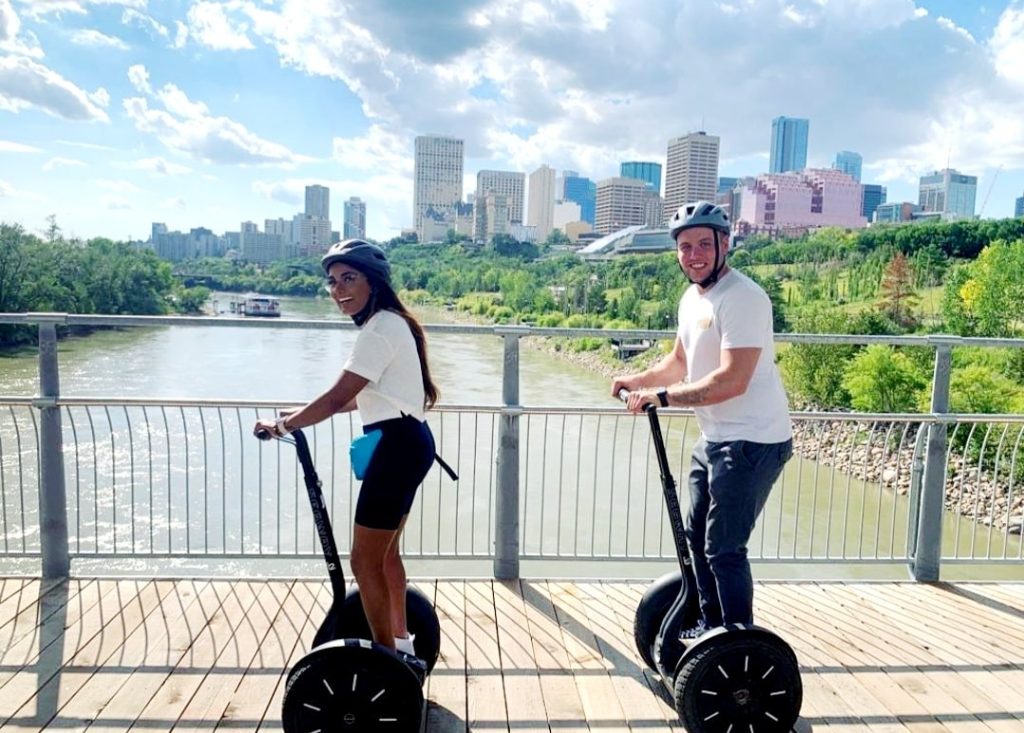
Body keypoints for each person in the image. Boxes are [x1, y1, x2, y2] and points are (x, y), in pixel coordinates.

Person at [254, 238, 446, 657]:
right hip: (409, 442)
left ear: (372, 282)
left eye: (349, 278)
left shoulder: (379, 330)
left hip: (396, 450)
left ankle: (386, 660)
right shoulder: (393, 323)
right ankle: (402, 644)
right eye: (332, 281)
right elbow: (365, 396)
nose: (338, 289)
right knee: (386, 555)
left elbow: (337, 397)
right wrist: (299, 414)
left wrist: (283, 425)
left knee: (364, 561)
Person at [611, 201, 792, 638]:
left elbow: (732, 380)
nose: (694, 255)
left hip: (753, 441)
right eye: (685, 246)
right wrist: (638, 381)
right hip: (714, 437)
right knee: (695, 539)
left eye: (704, 245)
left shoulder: (743, 298)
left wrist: (662, 397)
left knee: (724, 549)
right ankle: (708, 626)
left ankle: (734, 641)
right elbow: (679, 362)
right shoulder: (692, 298)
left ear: (724, 244)